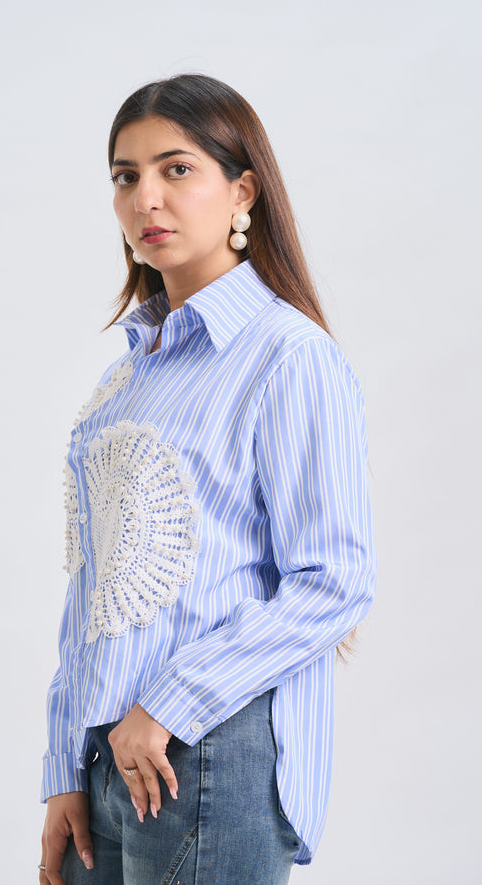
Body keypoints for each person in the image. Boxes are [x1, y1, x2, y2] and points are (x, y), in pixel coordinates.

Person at [38, 73, 376, 885]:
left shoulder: (289, 356)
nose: (145, 197)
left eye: (176, 169)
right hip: (104, 757)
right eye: (126, 176)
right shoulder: (129, 375)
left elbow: (335, 579)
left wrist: (168, 705)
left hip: (206, 749)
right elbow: (95, 588)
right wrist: (61, 768)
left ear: (242, 191)